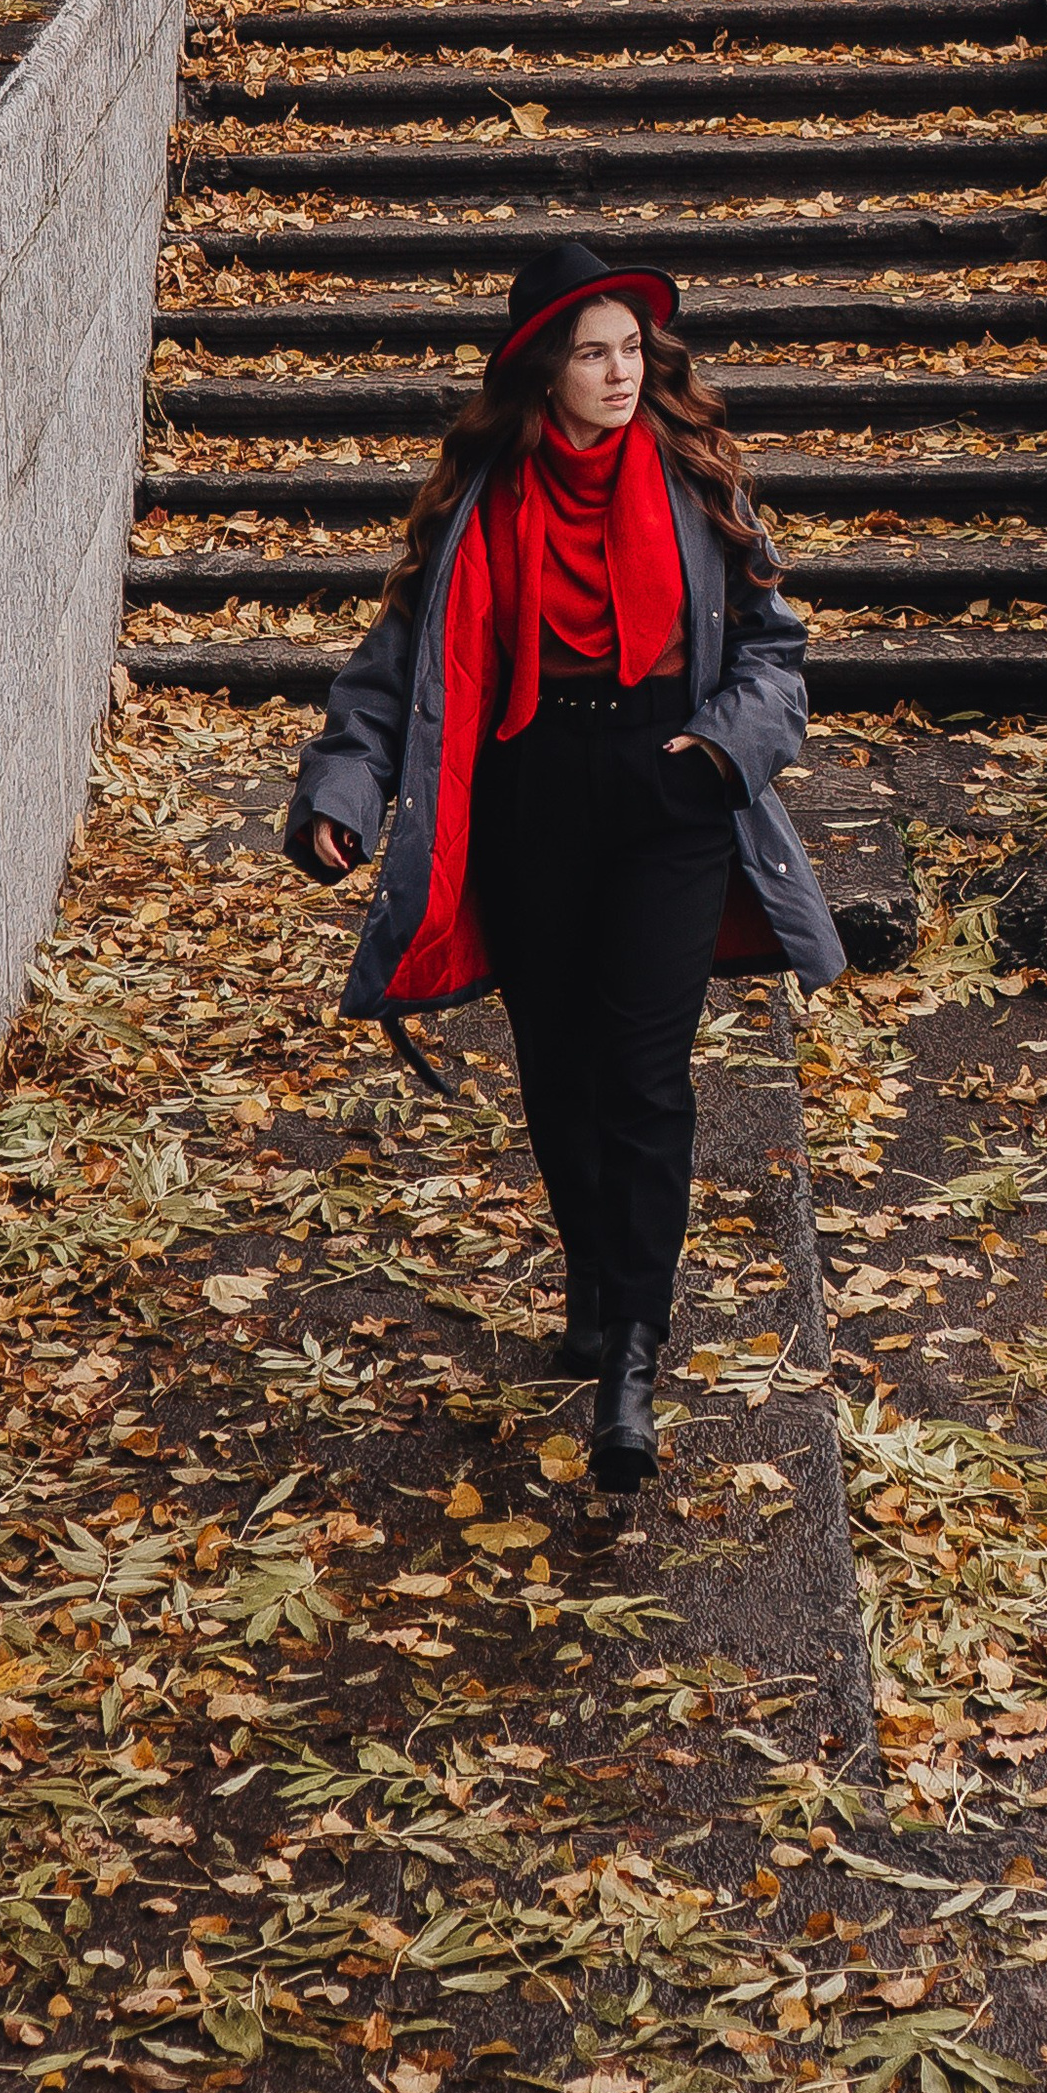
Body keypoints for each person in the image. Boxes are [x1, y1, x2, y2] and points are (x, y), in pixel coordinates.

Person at [284, 241, 843, 1493]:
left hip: (669, 793)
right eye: (594, 353)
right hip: (530, 799)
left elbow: (775, 653)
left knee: (644, 1071)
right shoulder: (479, 501)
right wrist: (341, 794)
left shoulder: (697, 479)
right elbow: (393, 676)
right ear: (544, 371)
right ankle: (595, 1284)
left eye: (632, 349)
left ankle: (632, 1354)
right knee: (560, 1069)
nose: (621, 373)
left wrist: (716, 752)